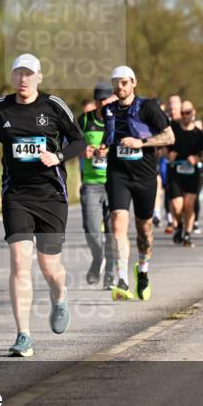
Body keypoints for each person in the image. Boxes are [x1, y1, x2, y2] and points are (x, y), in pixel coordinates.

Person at [0, 53, 84, 357]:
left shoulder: (54, 106)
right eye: (18, 74)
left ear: (39, 77)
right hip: (17, 195)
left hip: (51, 194)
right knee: (18, 262)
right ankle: (23, 335)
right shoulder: (2, 108)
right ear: (12, 77)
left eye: (29, 74)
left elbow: (79, 141)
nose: (23, 79)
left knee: (50, 267)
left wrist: (58, 157)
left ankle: (59, 295)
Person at [102, 66, 174, 299]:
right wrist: (102, 149)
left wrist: (141, 142)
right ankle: (121, 278)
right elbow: (109, 139)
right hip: (118, 174)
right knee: (117, 223)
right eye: (116, 83)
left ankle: (142, 270)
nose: (120, 87)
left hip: (144, 175)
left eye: (124, 83)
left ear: (133, 82)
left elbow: (169, 136)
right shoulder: (108, 110)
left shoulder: (149, 107)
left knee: (144, 228)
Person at [78, 82, 118, 287]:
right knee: (92, 231)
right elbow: (70, 144)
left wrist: (109, 152)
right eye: (100, 100)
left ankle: (110, 274)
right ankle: (97, 259)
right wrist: (81, 150)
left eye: (107, 99)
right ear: (95, 102)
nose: (103, 103)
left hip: (115, 183)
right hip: (91, 184)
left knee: (113, 233)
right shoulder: (85, 120)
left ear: (113, 100)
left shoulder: (120, 121)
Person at [167, 100, 203, 247]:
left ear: (193, 112)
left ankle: (188, 234)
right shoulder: (174, 130)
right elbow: (165, 149)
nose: (185, 115)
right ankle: (179, 225)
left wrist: (197, 158)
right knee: (177, 206)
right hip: (176, 172)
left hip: (192, 173)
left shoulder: (199, 133)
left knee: (189, 205)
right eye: (182, 113)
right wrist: (169, 155)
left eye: (187, 112)